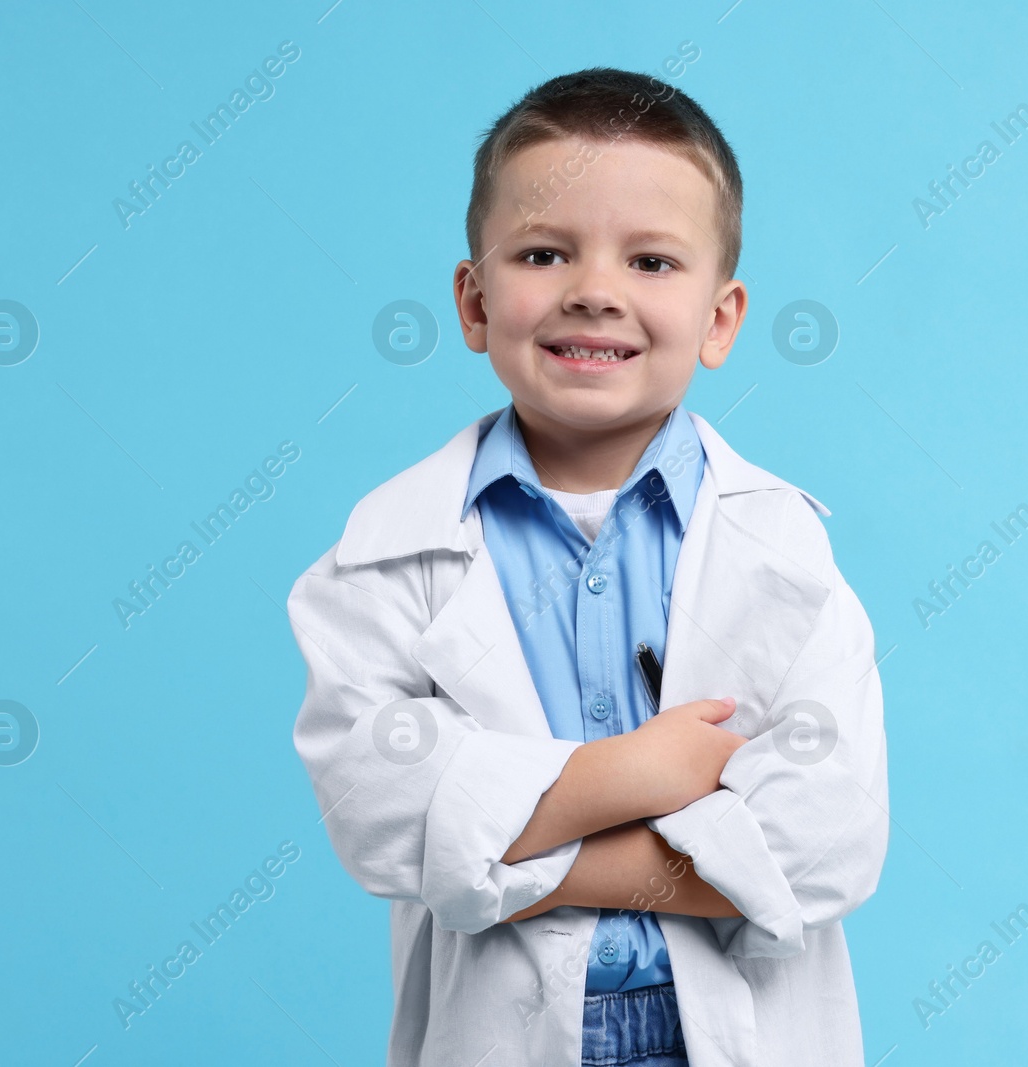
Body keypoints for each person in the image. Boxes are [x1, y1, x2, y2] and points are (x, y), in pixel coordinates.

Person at [287, 66, 889, 1067]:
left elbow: (825, 844)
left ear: (720, 318)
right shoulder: (386, 550)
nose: (595, 291)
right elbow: (383, 820)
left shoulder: (781, 547)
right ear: (474, 301)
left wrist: (495, 845)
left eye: (651, 261)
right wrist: (635, 773)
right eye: (542, 252)